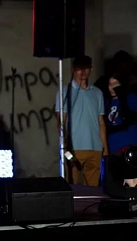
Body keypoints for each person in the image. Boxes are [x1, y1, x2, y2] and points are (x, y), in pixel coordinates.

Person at [55, 55, 107, 187]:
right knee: (72, 186)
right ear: (73, 70)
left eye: (86, 68)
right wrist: (65, 146)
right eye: (79, 68)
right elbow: (60, 122)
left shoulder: (97, 93)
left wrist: (105, 148)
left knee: (93, 188)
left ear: (91, 70)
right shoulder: (65, 92)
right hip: (74, 147)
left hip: (95, 147)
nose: (83, 71)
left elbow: (101, 122)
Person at [105, 72, 137, 154]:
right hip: (113, 148)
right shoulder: (107, 102)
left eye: (115, 84)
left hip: (130, 146)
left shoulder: (131, 98)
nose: (112, 87)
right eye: (110, 84)